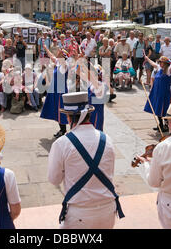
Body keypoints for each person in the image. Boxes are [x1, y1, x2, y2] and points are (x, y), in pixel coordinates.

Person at [48, 92, 124, 229]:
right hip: (108, 211)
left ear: (69, 117)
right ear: (88, 114)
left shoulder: (62, 143)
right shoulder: (107, 139)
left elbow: (54, 179)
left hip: (79, 214)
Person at [40, 44, 69, 139]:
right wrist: (45, 48)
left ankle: (63, 130)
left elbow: (62, 59)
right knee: (56, 109)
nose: (58, 53)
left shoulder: (64, 65)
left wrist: (63, 53)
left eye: (60, 54)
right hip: (55, 90)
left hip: (61, 91)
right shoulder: (58, 63)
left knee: (61, 109)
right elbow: (51, 56)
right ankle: (62, 129)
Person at [143, 55, 171, 132]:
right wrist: (147, 58)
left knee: (164, 108)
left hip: (163, 93)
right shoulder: (159, 68)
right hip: (156, 92)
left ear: (166, 64)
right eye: (160, 62)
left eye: (162, 62)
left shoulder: (168, 71)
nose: (160, 63)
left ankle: (166, 125)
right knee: (157, 108)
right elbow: (153, 63)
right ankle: (160, 125)